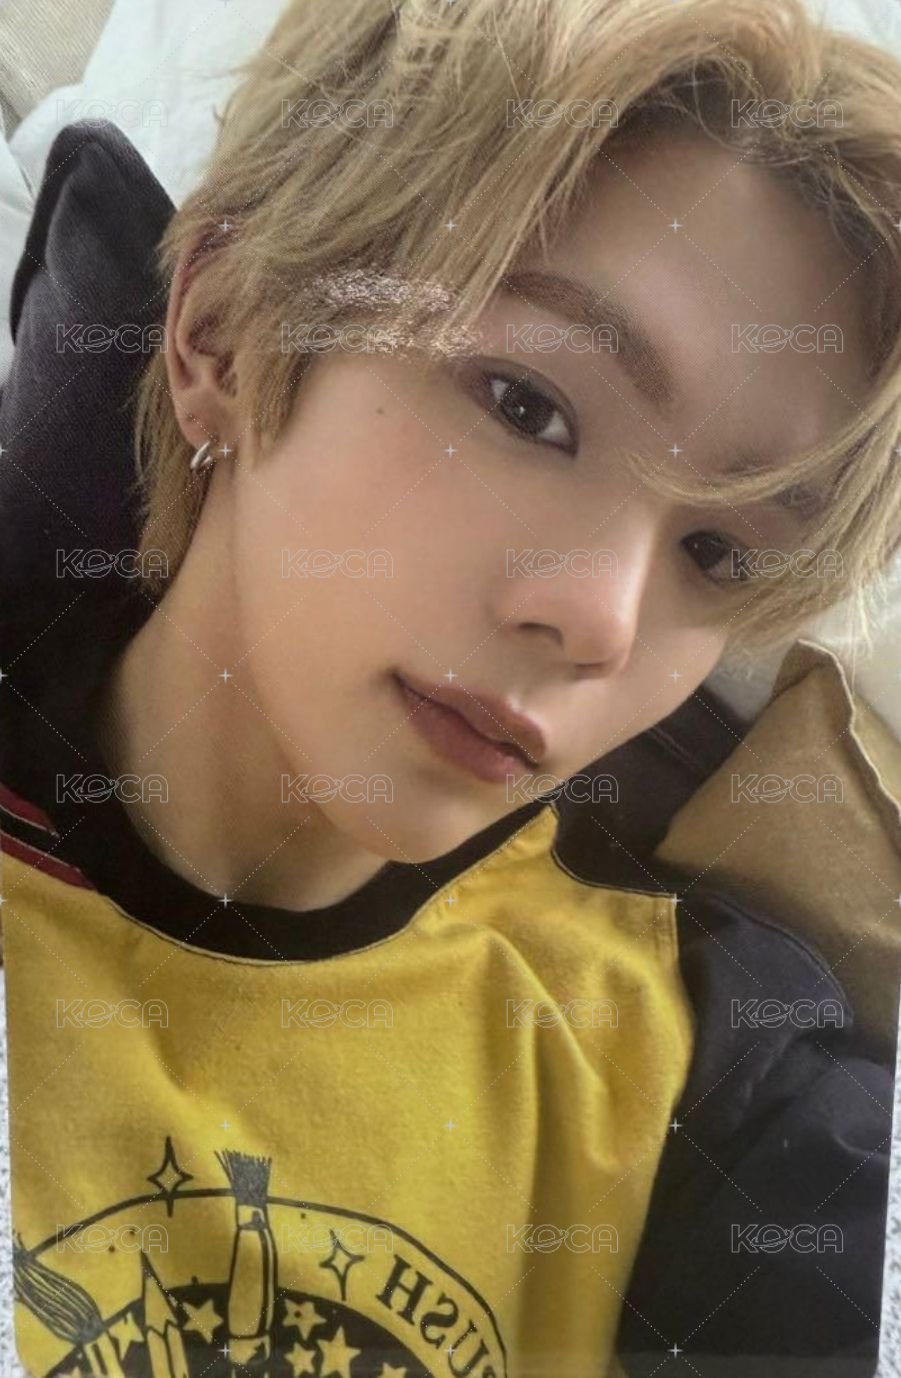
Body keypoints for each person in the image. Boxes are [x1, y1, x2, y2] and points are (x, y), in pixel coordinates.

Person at [1, 0, 900, 1374]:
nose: (600, 622)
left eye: (717, 552)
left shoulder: (711, 1062)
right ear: (222, 333)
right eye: (527, 405)